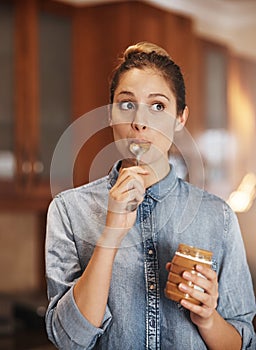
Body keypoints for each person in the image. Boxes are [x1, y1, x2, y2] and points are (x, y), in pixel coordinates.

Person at [45, 42, 256, 349]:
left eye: (158, 106)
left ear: (179, 118)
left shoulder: (217, 216)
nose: (139, 122)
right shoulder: (68, 210)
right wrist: (111, 232)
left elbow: (243, 343)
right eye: (126, 104)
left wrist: (208, 318)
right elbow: (69, 339)